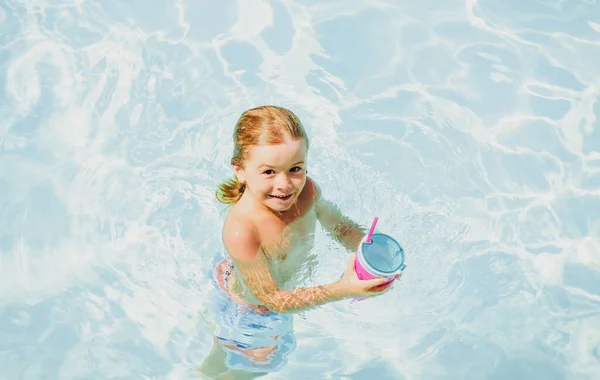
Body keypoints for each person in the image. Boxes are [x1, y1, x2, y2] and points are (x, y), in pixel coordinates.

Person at [198, 105, 398, 378]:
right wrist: (344, 289)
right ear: (240, 171)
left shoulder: (308, 192)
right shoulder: (242, 230)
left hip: (269, 287)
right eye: (269, 172)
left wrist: (372, 255)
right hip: (251, 310)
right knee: (246, 366)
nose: (285, 184)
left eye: (295, 168)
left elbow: (340, 228)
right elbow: (272, 300)